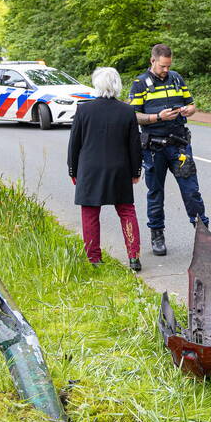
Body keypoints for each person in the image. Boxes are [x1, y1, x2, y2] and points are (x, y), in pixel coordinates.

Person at [128, 43, 208, 256]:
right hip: (154, 148)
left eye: (168, 66)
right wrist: (157, 117)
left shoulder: (176, 78)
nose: (166, 70)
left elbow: (191, 104)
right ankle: (157, 234)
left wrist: (188, 110)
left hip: (179, 144)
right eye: (162, 66)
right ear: (152, 61)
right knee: (155, 192)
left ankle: (204, 234)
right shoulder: (139, 84)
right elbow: (133, 115)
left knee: (191, 191)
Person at [68, 67, 144, 271]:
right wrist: (136, 171)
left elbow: (74, 143)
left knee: (90, 212)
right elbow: (134, 145)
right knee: (127, 211)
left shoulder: (84, 110)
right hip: (120, 169)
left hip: (90, 169)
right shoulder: (127, 110)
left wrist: (72, 170)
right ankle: (134, 257)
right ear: (117, 85)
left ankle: (94, 258)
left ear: (96, 84)